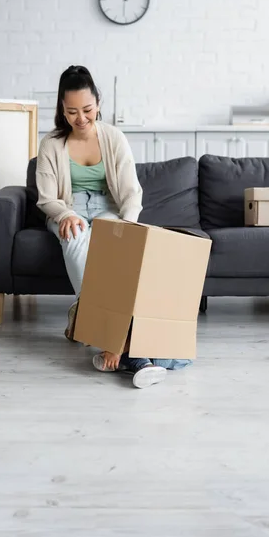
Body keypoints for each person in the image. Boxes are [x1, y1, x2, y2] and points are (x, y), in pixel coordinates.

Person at [36, 65, 191, 388]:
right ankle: (113, 335)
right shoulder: (51, 144)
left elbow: (132, 193)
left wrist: (126, 227)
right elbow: (46, 198)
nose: (81, 118)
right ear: (61, 110)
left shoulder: (113, 138)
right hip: (68, 210)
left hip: (109, 209)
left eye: (88, 110)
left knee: (112, 252)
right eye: (72, 112)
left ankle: (106, 330)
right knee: (77, 241)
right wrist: (64, 215)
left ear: (98, 103)